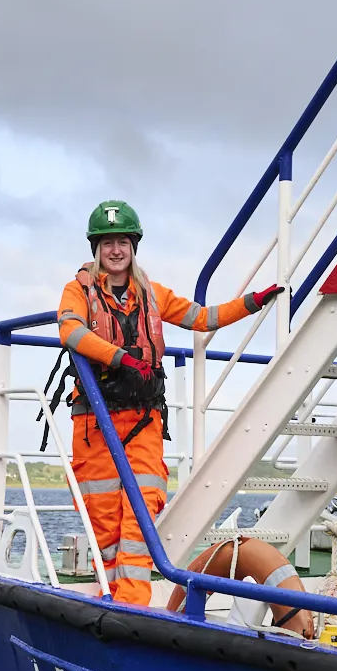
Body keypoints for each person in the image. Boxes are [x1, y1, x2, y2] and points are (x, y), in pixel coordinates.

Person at [57, 200, 282, 605]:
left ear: (133, 247)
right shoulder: (78, 291)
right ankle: (112, 598)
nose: (115, 251)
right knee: (104, 520)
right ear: (95, 248)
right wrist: (119, 357)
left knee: (140, 518)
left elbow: (203, 318)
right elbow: (70, 331)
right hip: (95, 424)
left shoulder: (153, 294)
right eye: (107, 243)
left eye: (122, 242)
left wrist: (252, 301)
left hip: (143, 422)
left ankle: (132, 606)